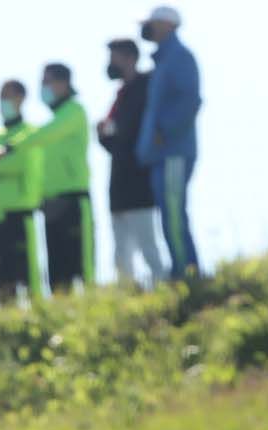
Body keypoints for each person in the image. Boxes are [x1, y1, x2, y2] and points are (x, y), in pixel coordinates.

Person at [3, 64, 92, 293]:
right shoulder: (53, 119)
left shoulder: (74, 111)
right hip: (51, 203)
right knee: (57, 273)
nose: (44, 88)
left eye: (47, 82)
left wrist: (9, 147)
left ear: (64, 83)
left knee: (81, 267)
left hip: (73, 200)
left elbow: (44, 135)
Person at [138, 5, 201, 280]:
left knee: (174, 215)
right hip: (161, 154)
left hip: (174, 151)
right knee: (169, 215)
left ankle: (187, 273)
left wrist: (164, 131)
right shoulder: (163, 61)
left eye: (152, 23)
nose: (147, 28)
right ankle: (182, 270)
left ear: (167, 25)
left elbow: (190, 100)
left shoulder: (179, 57)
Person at [100, 39, 168, 288]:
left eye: (113, 57)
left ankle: (162, 288)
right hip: (119, 182)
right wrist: (104, 134)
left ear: (129, 57)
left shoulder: (145, 86)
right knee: (121, 251)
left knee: (148, 244)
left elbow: (137, 134)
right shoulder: (120, 95)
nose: (110, 63)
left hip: (139, 179)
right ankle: (127, 295)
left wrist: (113, 134)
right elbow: (113, 139)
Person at [0, 80, 45, 305]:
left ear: (21, 98)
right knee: (2, 279)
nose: (3, 101)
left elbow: (25, 165)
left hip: (20, 213)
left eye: (8, 95)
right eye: (1, 96)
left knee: (29, 275)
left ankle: (38, 317)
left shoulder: (31, 133)